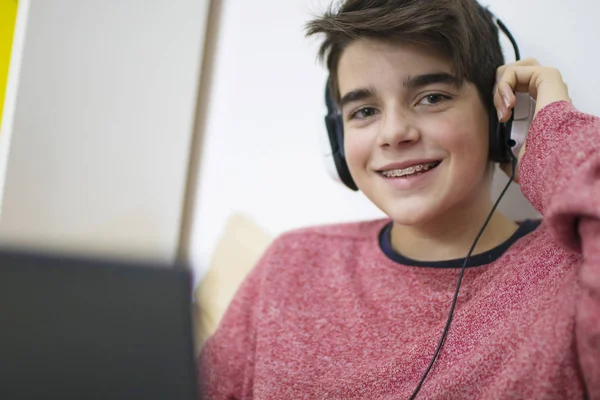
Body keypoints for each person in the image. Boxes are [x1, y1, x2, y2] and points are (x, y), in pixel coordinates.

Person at [198, 0, 600, 398]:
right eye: (365, 110)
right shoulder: (290, 265)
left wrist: (556, 140)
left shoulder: (572, 265)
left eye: (432, 97)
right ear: (338, 141)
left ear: (502, 117)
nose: (393, 133)